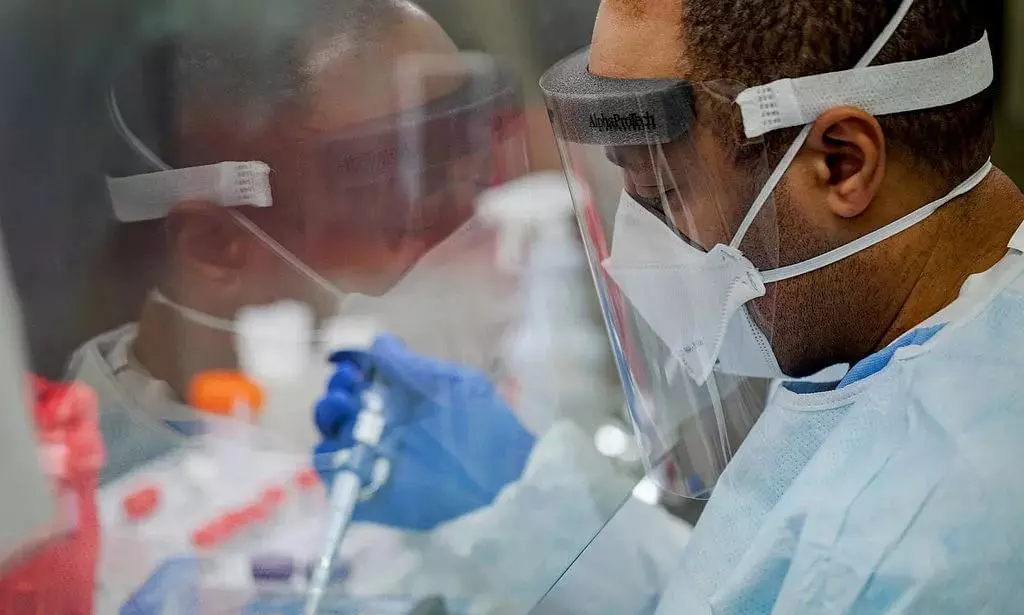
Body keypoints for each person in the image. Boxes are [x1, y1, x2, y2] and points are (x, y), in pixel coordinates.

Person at [318, 0, 1024, 612]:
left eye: (664, 193)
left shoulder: (931, 552)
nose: (636, 250)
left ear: (841, 162)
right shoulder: (899, 341)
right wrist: (519, 495)